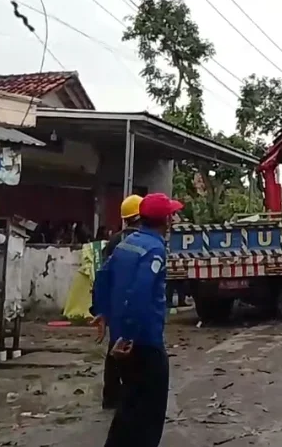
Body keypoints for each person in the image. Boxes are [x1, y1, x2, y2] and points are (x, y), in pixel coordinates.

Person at [101, 192, 182, 447]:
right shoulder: (155, 249)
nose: (173, 219)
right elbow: (140, 292)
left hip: (123, 339)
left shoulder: (127, 243)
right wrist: (130, 336)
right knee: (150, 415)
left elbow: (103, 276)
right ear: (165, 220)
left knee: (128, 406)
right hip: (144, 343)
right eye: (171, 215)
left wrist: (102, 313)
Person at [92, 194, 142, 410]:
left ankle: (110, 395)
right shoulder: (143, 240)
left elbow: (103, 273)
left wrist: (101, 308)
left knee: (115, 347)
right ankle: (133, 395)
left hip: (115, 302)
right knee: (137, 348)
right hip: (134, 301)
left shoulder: (114, 240)